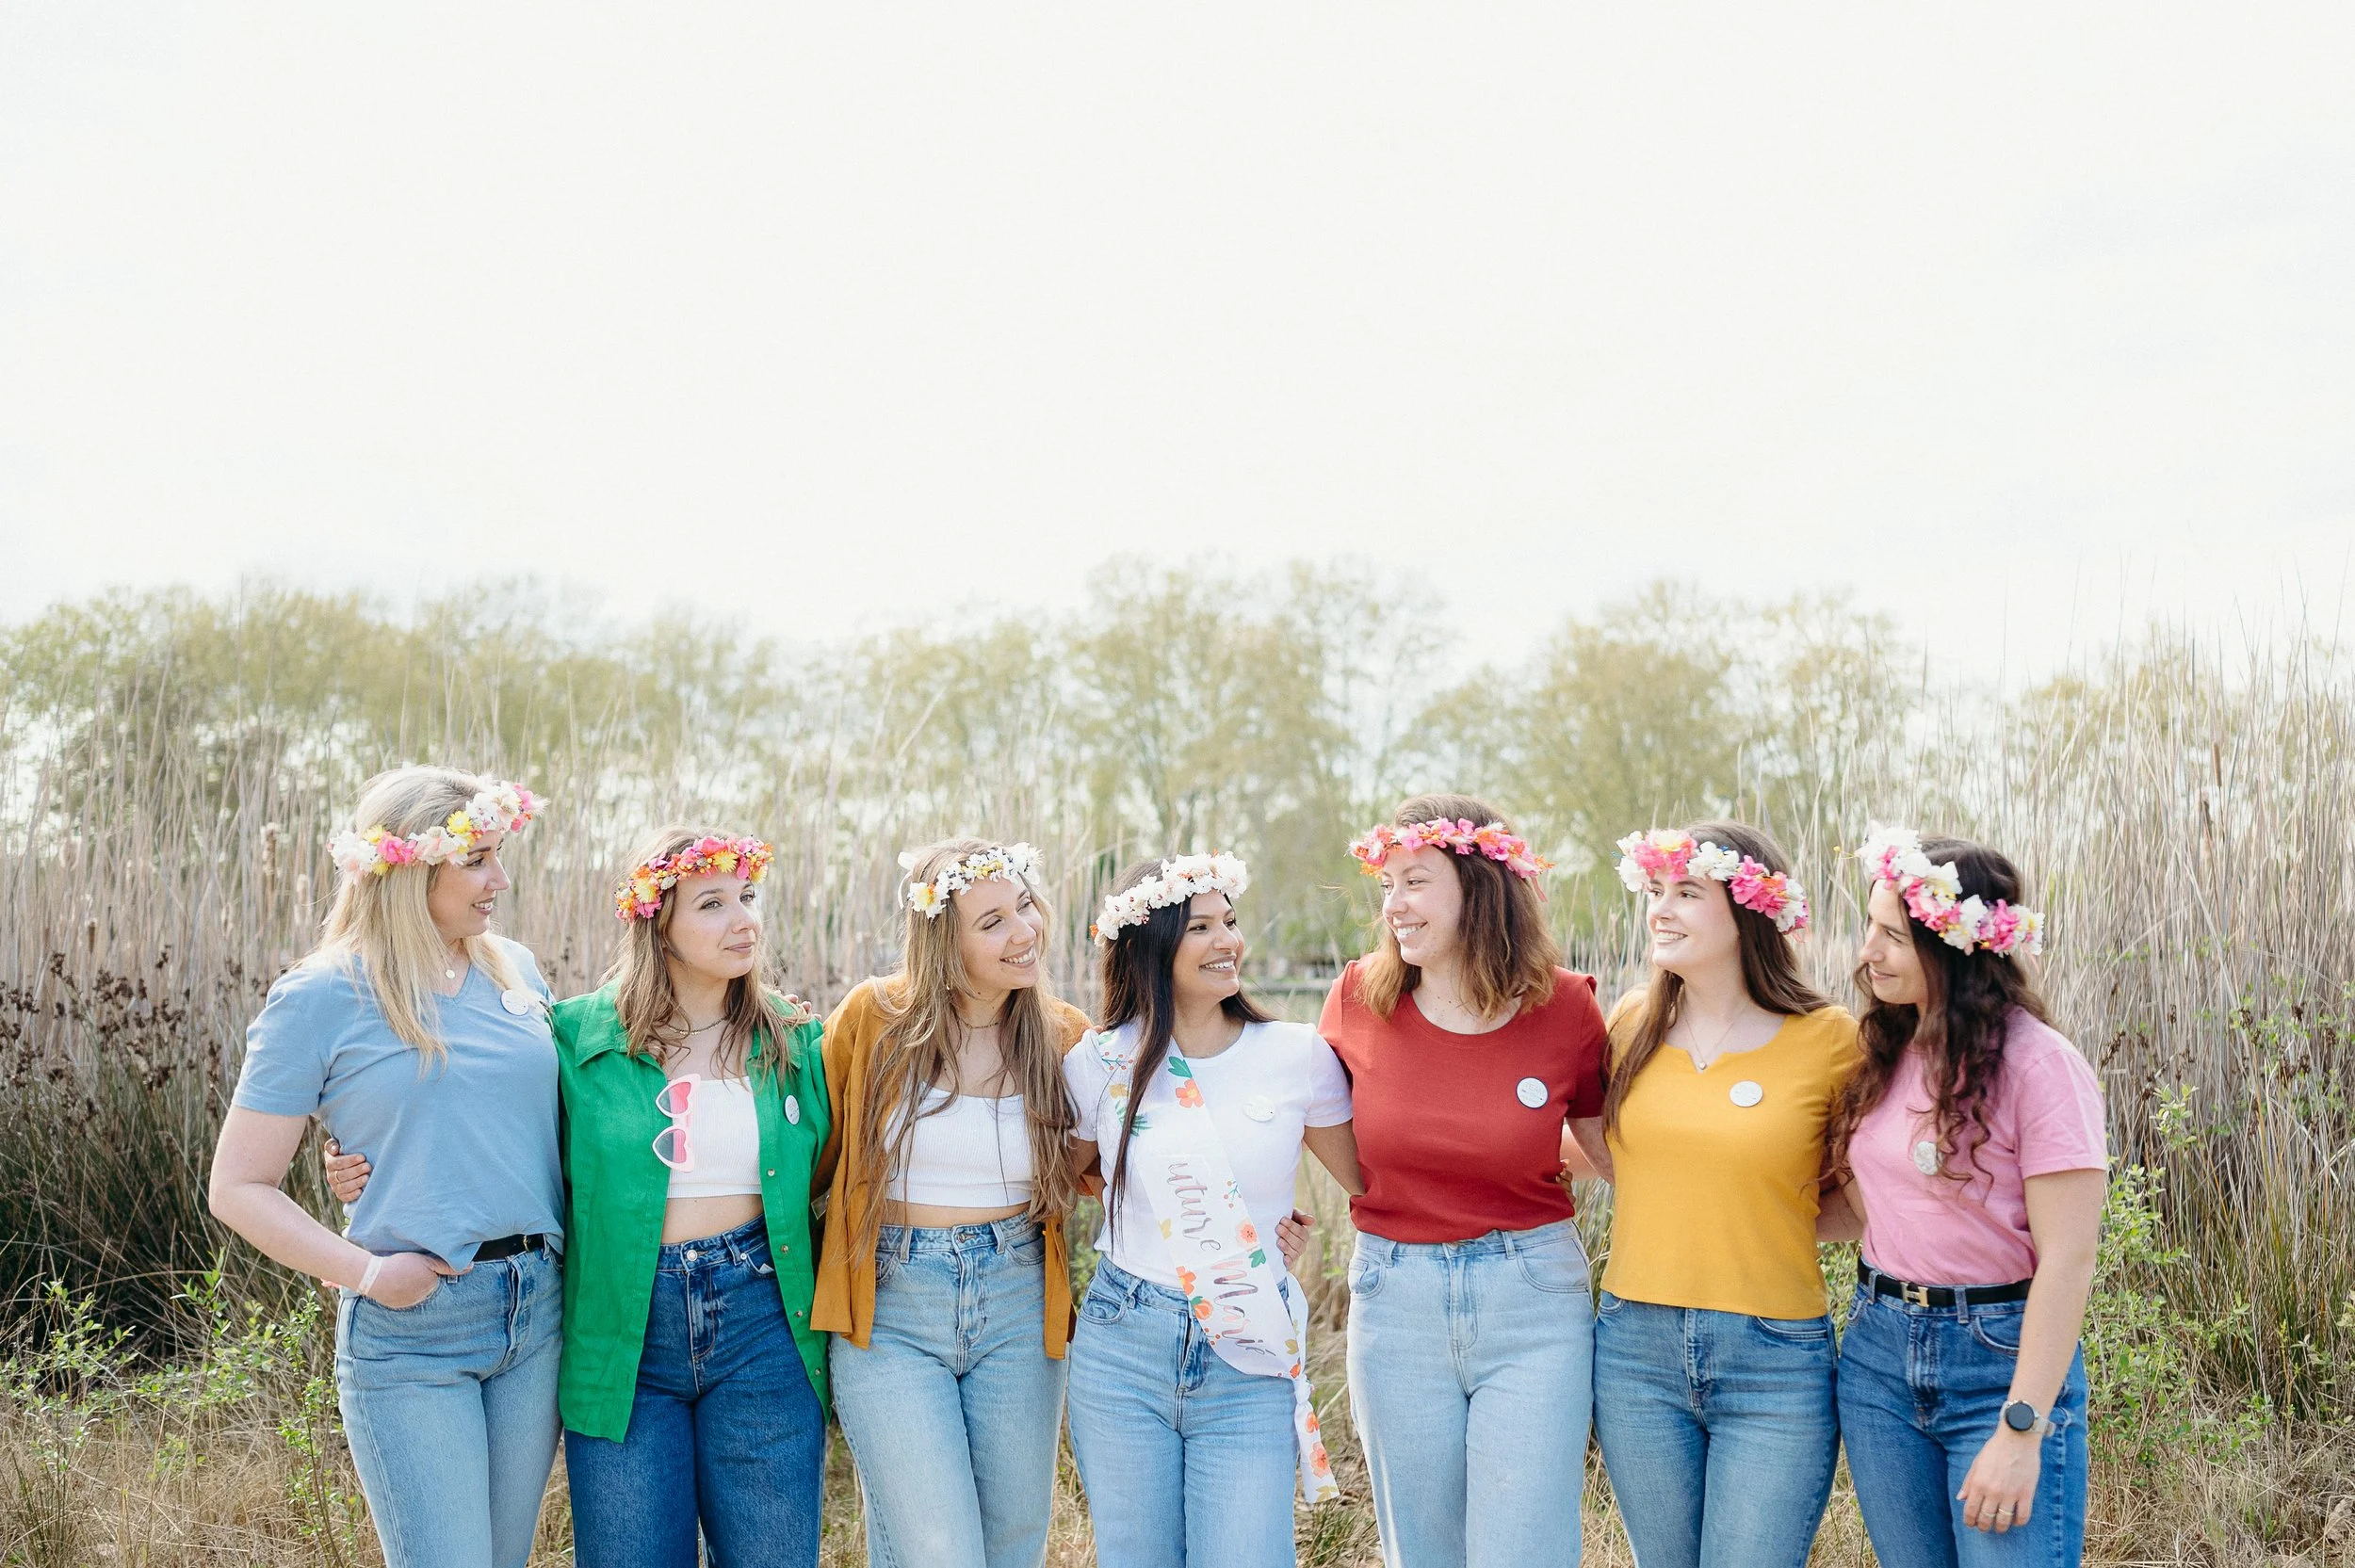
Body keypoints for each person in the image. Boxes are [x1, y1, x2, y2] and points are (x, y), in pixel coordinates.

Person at [208, 768, 561, 1568]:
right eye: (477, 860)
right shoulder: (319, 996)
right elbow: (237, 1186)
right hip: (414, 1328)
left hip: (537, 1312)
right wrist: (369, 1274)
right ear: (411, 868)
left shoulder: (516, 969)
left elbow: (531, 1121)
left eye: (499, 856)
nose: (500, 880)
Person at [1317, 795, 1610, 1568]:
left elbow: (1613, 1152)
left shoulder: (1567, 1007)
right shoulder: (1357, 998)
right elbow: (1293, 1119)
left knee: (1525, 1550)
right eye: (1388, 884)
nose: (1395, 904)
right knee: (1424, 1551)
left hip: (1532, 1301)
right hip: (1396, 1298)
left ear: (1479, 887)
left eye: (1416, 880)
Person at [1063, 853, 1364, 1568]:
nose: (1228, 940)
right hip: (1125, 1339)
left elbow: (1367, 1185)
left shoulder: (1296, 1054)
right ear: (1149, 944)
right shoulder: (1099, 1061)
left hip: (1248, 1341)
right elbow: (1071, 1175)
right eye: (1201, 927)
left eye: (1230, 921)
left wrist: (1259, 1240)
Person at [1831, 827, 2104, 1567]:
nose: (1868, 951)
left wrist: (2021, 1427)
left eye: (1892, 936)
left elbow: (2069, 1258)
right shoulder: (1884, 1051)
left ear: (1951, 944)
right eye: (1870, 927)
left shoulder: (2042, 1066)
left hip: (1998, 1362)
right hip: (1878, 1357)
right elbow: (1873, 1207)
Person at [1588, 823, 1860, 1568]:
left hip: (1775, 1358)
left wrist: (1768, 1217)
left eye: (1685, 892)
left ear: (1749, 910)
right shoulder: (1631, 1023)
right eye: (1655, 890)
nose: (1660, 909)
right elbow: (1602, 1153)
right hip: (1634, 1351)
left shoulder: (1828, 1038)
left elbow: (1864, 1194)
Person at [812, 839, 1084, 1568]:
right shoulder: (873, 1018)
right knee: (937, 1548)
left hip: (1019, 1299)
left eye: (1024, 906)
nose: (1024, 930)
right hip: (892, 1304)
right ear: (943, 940)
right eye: (992, 921)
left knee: (1013, 1541)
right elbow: (811, 1152)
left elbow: (1120, 1162)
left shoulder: (1062, 1035)